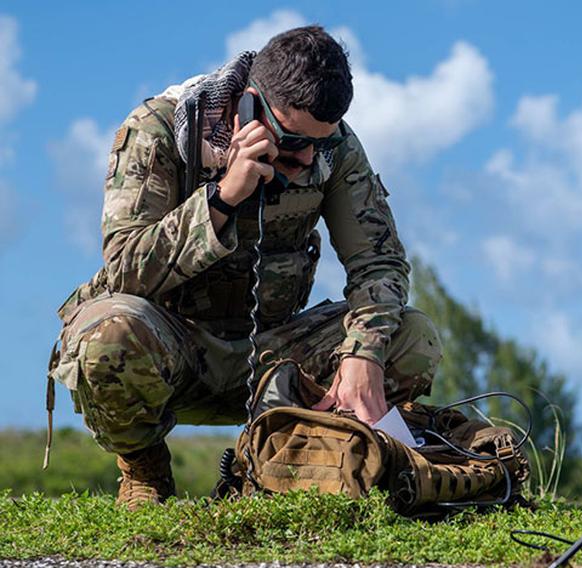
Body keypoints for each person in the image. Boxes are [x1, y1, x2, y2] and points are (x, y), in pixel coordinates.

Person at [47, 26, 442, 509]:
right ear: (251, 107)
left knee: (411, 337)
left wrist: (363, 354)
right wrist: (221, 198)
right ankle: (144, 470)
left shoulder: (332, 147)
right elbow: (127, 268)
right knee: (104, 336)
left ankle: (280, 471)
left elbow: (379, 262)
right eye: (294, 140)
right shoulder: (160, 130)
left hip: (278, 359)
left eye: (320, 142)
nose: (306, 158)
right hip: (175, 349)